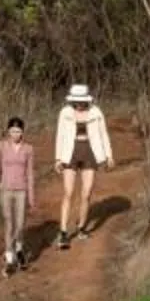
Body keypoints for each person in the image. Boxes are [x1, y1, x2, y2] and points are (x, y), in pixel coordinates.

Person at [52, 83, 114, 250]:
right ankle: (63, 232)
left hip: (90, 152)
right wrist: (58, 158)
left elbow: (103, 134)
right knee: (68, 192)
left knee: (86, 193)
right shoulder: (65, 112)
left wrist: (109, 155)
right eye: (76, 101)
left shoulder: (96, 112)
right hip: (69, 153)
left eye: (81, 101)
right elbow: (60, 135)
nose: (78, 104)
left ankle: (81, 228)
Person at [0, 116, 37, 274]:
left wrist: (32, 195)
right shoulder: (1, 146)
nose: (15, 134)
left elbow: (30, 174)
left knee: (20, 225)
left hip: (21, 190)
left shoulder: (28, 149)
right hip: (5, 190)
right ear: (8, 131)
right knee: (9, 223)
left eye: (18, 131)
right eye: (13, 131)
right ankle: (9, 257)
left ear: (22, 132)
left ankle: (19, 249)